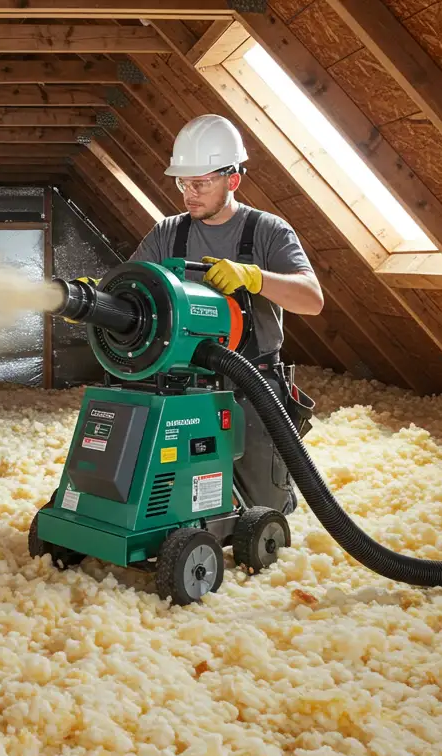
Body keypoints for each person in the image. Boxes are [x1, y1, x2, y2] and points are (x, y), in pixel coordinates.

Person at [119, 114, 323, 516]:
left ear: (232, 180)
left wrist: (254, 277)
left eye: (200, 183)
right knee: (157, 502)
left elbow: (312, 300)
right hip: (181, 384)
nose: (188, 194)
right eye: (182, 183)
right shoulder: (168, 233)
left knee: (265, 511)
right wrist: (101, 299)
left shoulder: (269, 231)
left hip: (251, 385)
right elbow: (133, 289)